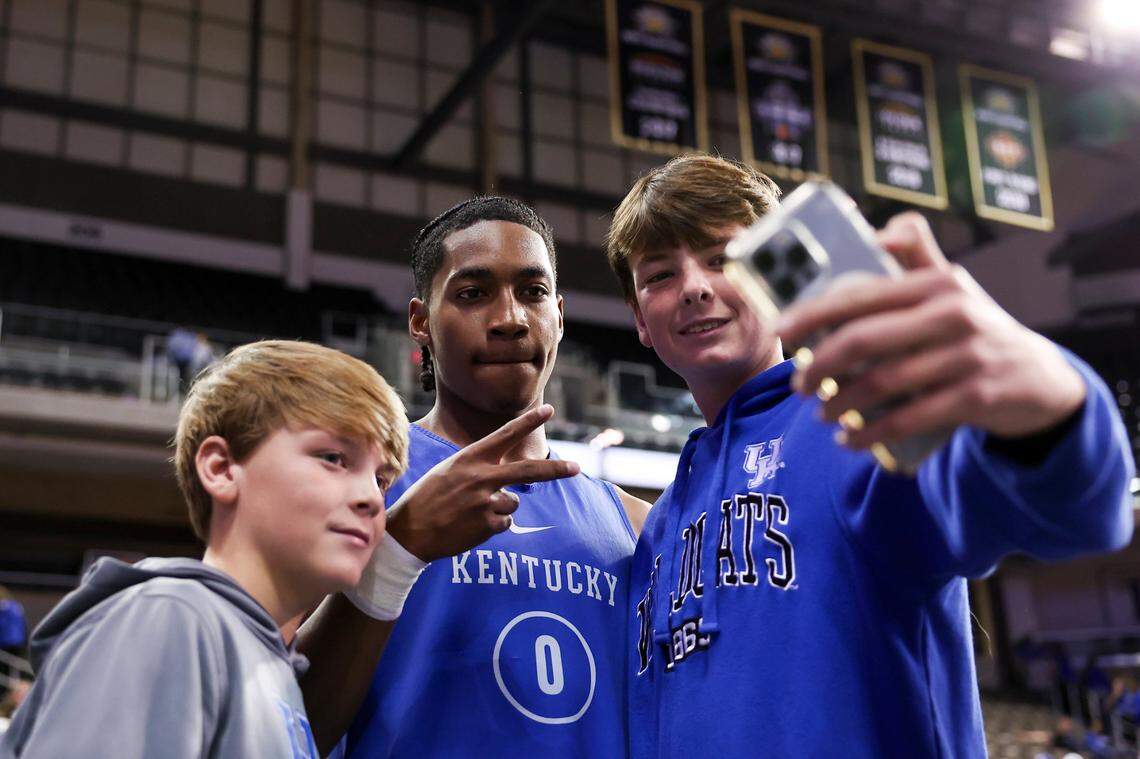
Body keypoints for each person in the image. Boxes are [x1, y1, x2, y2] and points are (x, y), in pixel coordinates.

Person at [604, 154, 1134, 757]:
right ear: (640, 319)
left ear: (774, 278)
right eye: (660, 276)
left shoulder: (857, 422)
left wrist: (1054, 408)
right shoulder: (664, 525)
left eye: (722, 258)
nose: (695, 287)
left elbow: (1069, 511)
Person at [298, 197, 648, 757]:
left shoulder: (635, 524)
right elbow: (281, 722)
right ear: (420, 322)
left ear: (559, 314)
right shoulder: (355, 477)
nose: (509, 318)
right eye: (472, 293)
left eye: (532, 293)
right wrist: (398, 547)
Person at [0, 340, 411, 757]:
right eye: (334, 458)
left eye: (381, 479)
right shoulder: (171, 617)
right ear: (220, 468)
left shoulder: (271, 667)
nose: (372, 498)